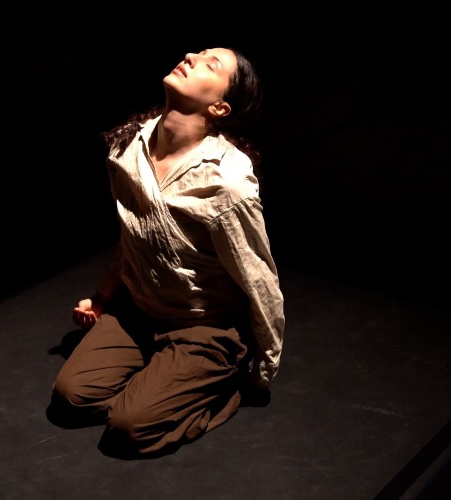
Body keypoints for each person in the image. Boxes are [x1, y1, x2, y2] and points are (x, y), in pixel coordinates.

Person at [47, 46, 285, 458]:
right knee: (70, 399)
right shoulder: (127, 149)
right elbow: (133, 239)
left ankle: (221, 382)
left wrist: (262, 372)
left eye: (211, 64)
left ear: (219, 107)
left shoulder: (227, 181)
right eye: (199, 51)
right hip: (141, 310)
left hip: (204, 325)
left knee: (128, 427)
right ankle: (162, 375)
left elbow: (259, 279)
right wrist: (102, 298)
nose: (191, 56)